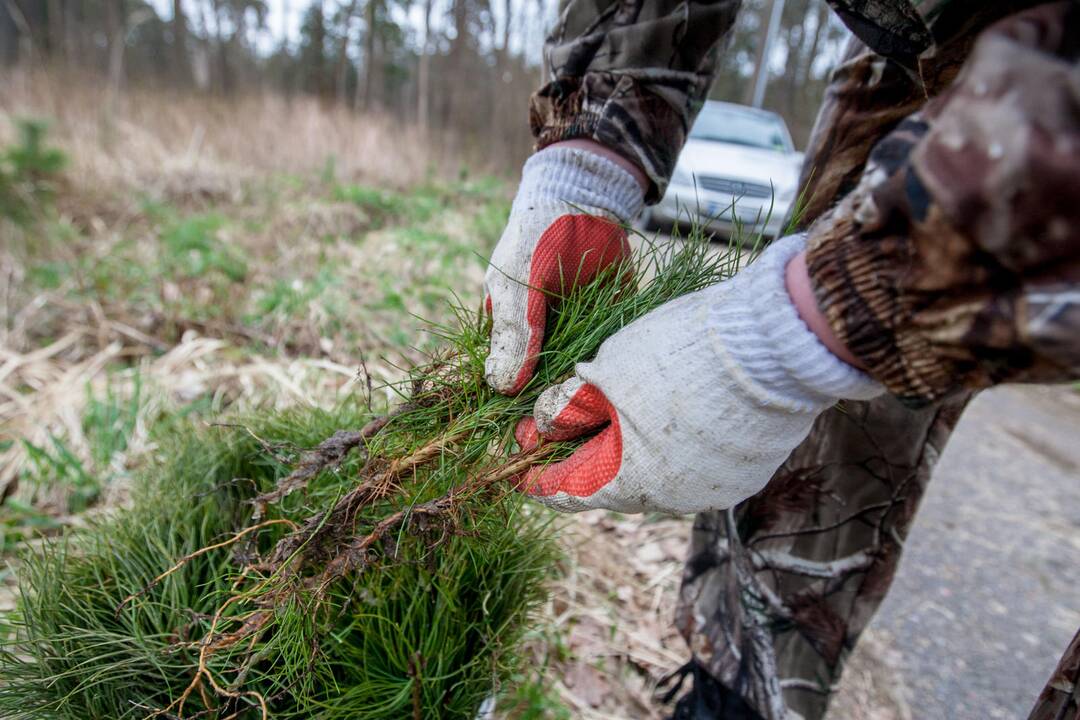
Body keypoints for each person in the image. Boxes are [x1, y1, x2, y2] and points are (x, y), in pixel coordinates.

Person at [482, 0, 1080, 718]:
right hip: (908, 46)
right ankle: (739, 694)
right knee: (812, 457)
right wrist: (585, 154)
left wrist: (808, 328)